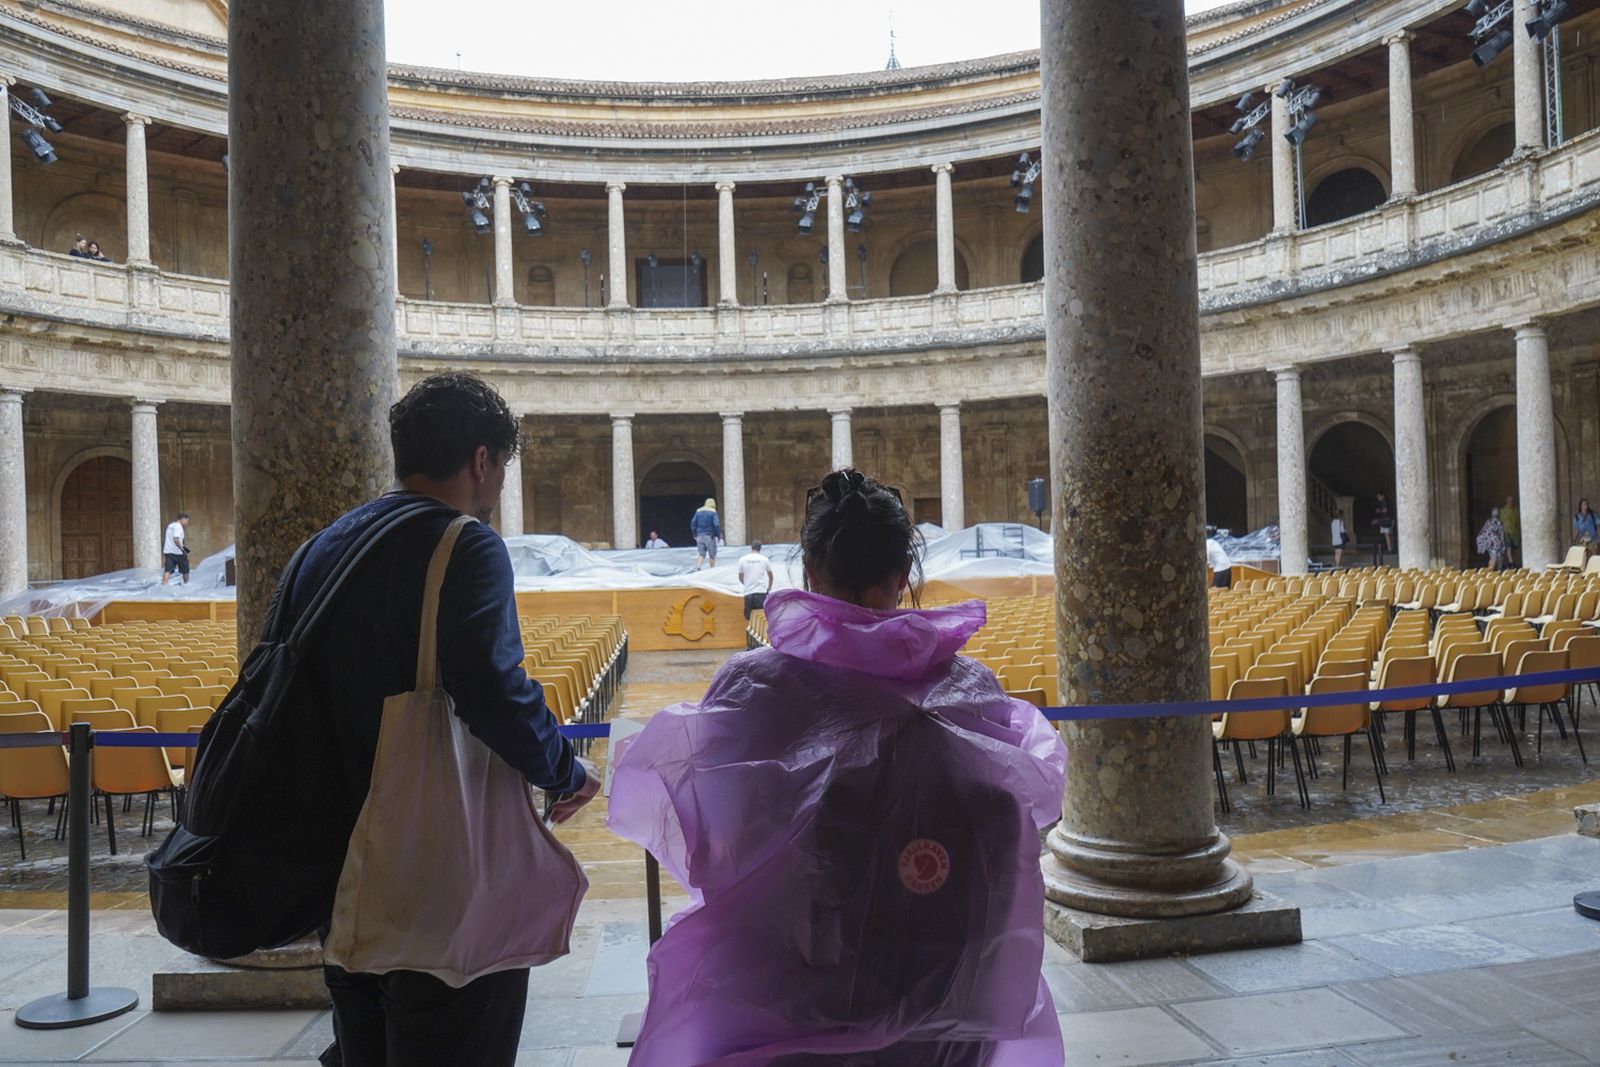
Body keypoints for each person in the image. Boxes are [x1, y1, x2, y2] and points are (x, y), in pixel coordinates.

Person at [609, 468, 1066, 1064]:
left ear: (810, 573)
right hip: (946, 998)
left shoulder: (755, 687)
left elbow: (714, 850)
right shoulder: (972, 689)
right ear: (904, 577)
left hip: (795, 999)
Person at [293, 373, 597, 1067]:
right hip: (440, 888)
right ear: (481, 461)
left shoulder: (321, 548)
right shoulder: (465, 544)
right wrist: (562, 769)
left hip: (339, 879)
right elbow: (492, 687)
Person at [736, 539, 773, 619]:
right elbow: (770, 576)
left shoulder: (742, 560)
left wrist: (746, 584)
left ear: (751, 547)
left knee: (749, 618)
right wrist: (769, 588)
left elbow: (740, 577)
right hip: (761, 591)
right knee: (761, 618)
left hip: (748, 592)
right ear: (760, 548)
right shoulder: (764, 559)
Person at [689, 497, 720, 571]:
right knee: (712, 554)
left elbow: (693, 522)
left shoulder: (698, 511)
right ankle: (712, 570)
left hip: (699, 536)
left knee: (701, 554)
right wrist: (718, 535)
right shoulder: (713, 511)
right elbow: (716, 524)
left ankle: (698, 567)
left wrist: (695, 534)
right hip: (709, 535)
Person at [160, 512, 191, 585]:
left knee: (168, 570)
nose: (187, 523)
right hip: (178, 553)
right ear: (183, 519)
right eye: (187, 521)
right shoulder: (178, 526)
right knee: (185, 570)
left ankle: (164, 585)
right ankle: (187, 585)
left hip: (168, 552)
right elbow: (175, 540)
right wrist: (182, 550)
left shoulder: (171, 525)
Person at [1477, 507, 1508, 571]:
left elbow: (1500, 534)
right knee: (1494, 558)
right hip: (1494, 544)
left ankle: (1492, 571)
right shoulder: (1492, 522)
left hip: (1495, 544)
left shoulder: (1496, 522)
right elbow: (1500, 535)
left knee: (1494, 558)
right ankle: (1491, 571)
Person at [1370, 492, 1393, 565]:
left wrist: (1379, 511)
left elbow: (1385, 510)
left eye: (1379, 496)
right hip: (1387, 519)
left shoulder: (1384, 502)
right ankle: (1390, 547)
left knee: (1387, 534)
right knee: (1388, 534)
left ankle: (1389, 548)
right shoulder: (1383, 502)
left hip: (1386, 520)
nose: (1378, 498)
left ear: (1382, 496)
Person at [1501, 494, 1520, 567]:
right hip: (1506, 533)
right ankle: (1510, 562)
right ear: (1507, 501)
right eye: (1509, 501)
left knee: (1513, 548)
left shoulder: (1516, 510)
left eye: (1512, 501)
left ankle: (1512, 561)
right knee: (1508, 547)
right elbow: (1501, 522)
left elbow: (1518, 521)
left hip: (1515, 533)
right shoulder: (1503, 511)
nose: (1511, 502)